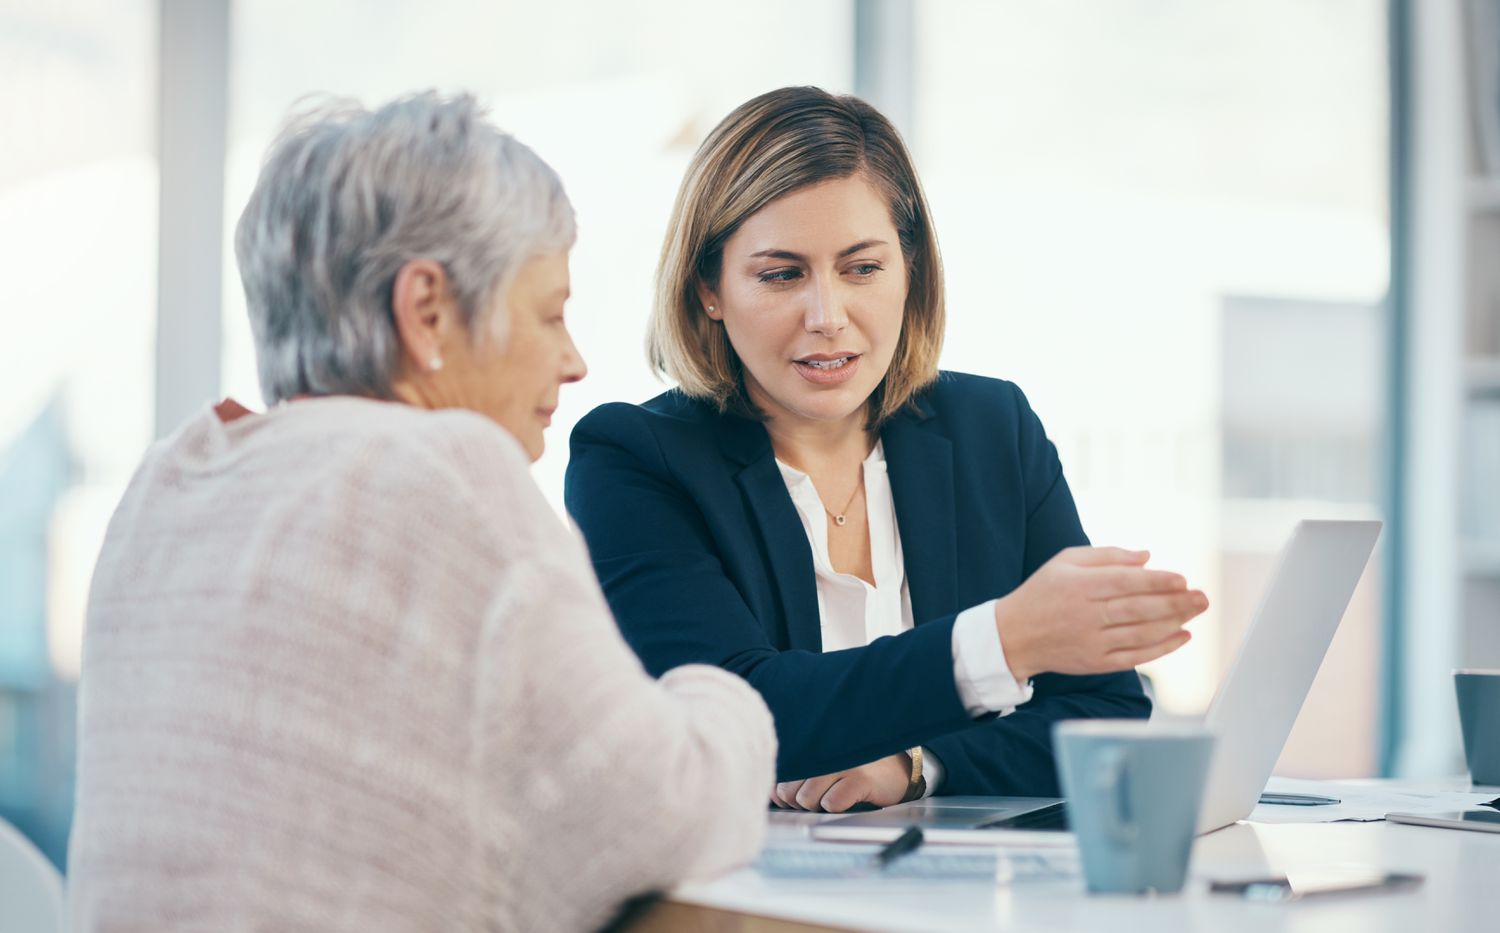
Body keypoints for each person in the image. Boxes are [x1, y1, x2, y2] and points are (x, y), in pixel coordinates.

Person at [66, 92, 775, 932]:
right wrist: (717, 692)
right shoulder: (443, 472)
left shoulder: (171, 483)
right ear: (428, 310)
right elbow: (666, 813)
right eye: (549, 312)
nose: (574, 360)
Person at [565, 86, 1207, 813]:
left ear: (910, 271)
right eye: (781, 274)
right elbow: (741, 715)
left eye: (862, 268)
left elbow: (1104, 713)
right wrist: (1003, 641)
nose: (828, 317)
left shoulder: (992, 426)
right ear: (708, 287)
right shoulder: (633, 459)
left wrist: (917, 765)